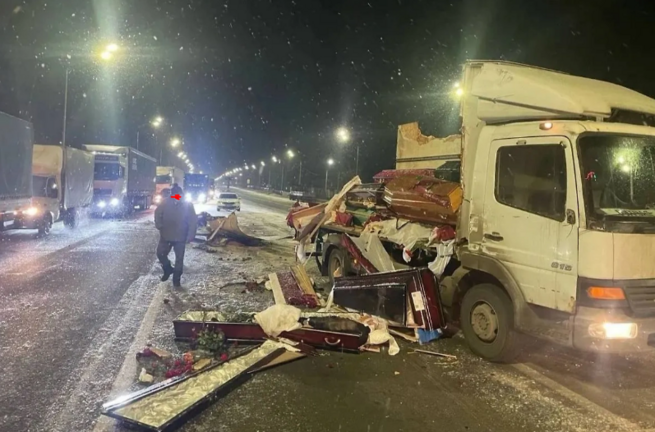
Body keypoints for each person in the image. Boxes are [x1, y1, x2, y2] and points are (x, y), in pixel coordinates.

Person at [154, 184, 197, 287]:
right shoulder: (165, 202)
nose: (176, 196)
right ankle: (168, 269)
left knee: (178, 259)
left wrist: (190, 235)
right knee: (162, 254)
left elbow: (192, 221)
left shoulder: (187, 205)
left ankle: (176, 279)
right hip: (167, 235)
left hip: (179, 236)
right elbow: (157, 213)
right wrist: (159, 225)